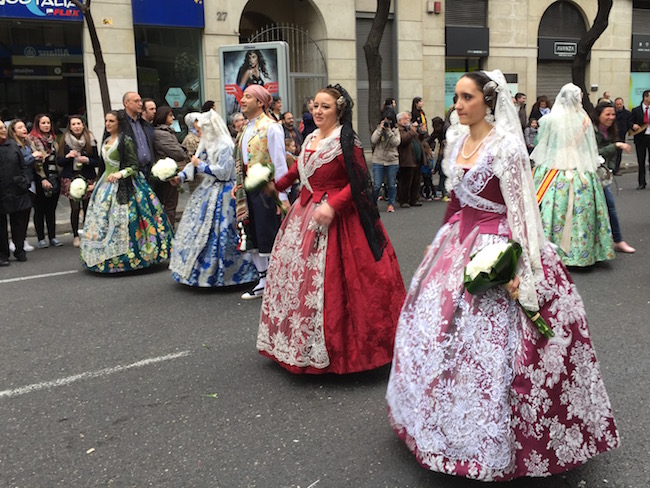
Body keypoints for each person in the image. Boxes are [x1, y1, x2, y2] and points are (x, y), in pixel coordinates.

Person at [386, 70, 619, 481]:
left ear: (487, 102)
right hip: (456, 242)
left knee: (500, 348)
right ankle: (442, 425)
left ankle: (506, 439)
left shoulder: (507, 147)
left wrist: (520, 268)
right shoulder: (457, 140)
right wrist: (438, 238)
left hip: (498, 241)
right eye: (456, 97)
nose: (457, 105)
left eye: (466, 97)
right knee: (437, 331)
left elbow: (521, 210)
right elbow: (456, 201)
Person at [256, 84, 406, 374]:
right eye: (315, 105)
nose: (318, 110)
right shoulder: (311, 137)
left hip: (338, 220)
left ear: (339, 109)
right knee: (296, 283)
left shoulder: (345, 141)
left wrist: (333, 205)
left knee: (340, 285)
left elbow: (360, 182)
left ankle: (347, 354)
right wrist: (278, 185)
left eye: (325, 106)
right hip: (303, 215)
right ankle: (294, 346)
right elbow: (299, 170)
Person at [169, 110, 258, 287]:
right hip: (208, 189)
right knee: (201, 231)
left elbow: (224, 173)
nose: (198, 133)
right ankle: (202, 272)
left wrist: (200, 165)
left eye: (200, 130)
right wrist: (181, 176)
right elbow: (193, 164)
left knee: (225, 231)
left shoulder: (225, 146)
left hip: (225, 192)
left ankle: (232, 273)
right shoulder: (206, 144)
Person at [530, 83, 614, 266]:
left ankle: (546, 249)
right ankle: (583, 250)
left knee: (550, 206)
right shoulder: (583, 120)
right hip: (578, 168)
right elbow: (588, 147)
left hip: (553, 167)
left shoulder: (548, 120)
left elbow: (540, 143)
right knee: (584, 207)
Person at [80, 111, 173, 273]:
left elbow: (134, 165)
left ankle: (133, 256)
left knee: (130, 219)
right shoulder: (107, 140)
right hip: (106, 185)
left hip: (127, 184)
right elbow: (104, 166)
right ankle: (103, 256)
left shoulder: (126, 141)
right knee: (103, 220)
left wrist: (120, 173)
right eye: (106, 121)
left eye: (111, 121)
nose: (108, 124)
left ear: (119, 123)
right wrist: (96, 183)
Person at [234, 84, 289, 300]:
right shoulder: (245, 128)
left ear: (260, 102)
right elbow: (240, 160)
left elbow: (280, 162)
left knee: (270, 235)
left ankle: (277, 281)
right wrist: (236, 186)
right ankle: (262, 280)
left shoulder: (272, 127)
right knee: (252, 234)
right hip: (247, 186)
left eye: (248, 97)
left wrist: (282, 196)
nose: (242, 100)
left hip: (266, 187)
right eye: (243, 96)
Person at [591, 101, 636, 253]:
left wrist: (609, 169)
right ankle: (613, 240)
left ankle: (617, 240)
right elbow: (594, 153)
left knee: (609, 207)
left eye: (613, 114)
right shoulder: (591, 130)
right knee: (602, 208)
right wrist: (617, 145)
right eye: (607, 114)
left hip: (602, 176)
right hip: (589, 175)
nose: (611, 117)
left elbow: (609, 155)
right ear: (599, 116)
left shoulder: (611, 130)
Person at [56, 116, 100, 248]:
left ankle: (87, 233)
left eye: (78, 123)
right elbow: (59, 161)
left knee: (88, 207)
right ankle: (75, 235)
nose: (76, 126)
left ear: (83, 125)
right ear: (70, 126)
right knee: (75, 208)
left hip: (87, 176)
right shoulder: (65, 141)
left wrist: (87, 161)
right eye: (73, 124)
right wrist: (68, 157)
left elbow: (97, 161)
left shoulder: (90, 140)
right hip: (71, 176)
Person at [6, 120, 42, 253]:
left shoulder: (27, 145)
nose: (23, 129)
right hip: (19, 184)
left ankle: (23, 238)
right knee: (17, 215)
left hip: (30, 181)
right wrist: (33, 157)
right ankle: (15, 240)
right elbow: (17, 164)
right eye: (19, 128)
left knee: (26, 212)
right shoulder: (12, 146)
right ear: (13, 131)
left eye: (24, 127)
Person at [0, 119, 32, 265]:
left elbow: (23, 166)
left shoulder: (13, 146)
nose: (2, 130)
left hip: (17, 188)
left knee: (19, 222)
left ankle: (19, 250)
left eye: (2, 128)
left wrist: (25, 181)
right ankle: (3, 255)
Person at [28, 114, 61, 248]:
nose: (46, 125)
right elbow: (35, 163)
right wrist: (42, 178)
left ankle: (53, 237)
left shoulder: (53, 140)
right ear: (38, 125)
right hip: (40, 178)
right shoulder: (33, 140)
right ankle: (41, 238)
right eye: (43, 123)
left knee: (51, 209)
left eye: (48, 123)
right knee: (40, 209)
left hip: (54, 176)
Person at [152, 106, 188, 229]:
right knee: (169, 205)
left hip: (169, 171)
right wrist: (183, 150)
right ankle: (168, 233)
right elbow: (178, 153)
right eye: (170, 115)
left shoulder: (166, 132)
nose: (173, 118)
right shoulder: (161, 134)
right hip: (166, 174)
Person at [370, 110, 400, 212]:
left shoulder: (395, 130)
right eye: (385, 120)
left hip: (392, 160)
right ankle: (373, 204)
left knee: (391, 184)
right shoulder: (379, 128)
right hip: (378, 159)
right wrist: (380, 129)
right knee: (377, 185)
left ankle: (391, 204)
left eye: (389, 121)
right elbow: (373, 140)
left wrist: (389, 131)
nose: (387, 123)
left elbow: (396, 142)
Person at [121, 91, 155, 178]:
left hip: (147, 170)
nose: (140, 104)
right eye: (136, 101)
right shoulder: (120, 121)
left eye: (140, 101)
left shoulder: (143, 123)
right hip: (130, 172)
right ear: (126, 103)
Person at [397, 111, 425, 208]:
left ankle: (414, 199)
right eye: (405, 119)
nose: (407, 120)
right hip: (406, 159)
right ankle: (404, 200)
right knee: (406, 181)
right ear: (399, 120)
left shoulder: (410, 129)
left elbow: (420, 139)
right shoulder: (399, 129)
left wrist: (421, 132)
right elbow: (403, 140)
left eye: (408, 118)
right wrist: (412, 131)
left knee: (416, 181)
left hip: (416, 159)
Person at [629, 90, 650, 189]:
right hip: (640, 138)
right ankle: (641, 182)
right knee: (641, 161)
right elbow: (629, 122)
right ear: (645, 98)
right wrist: (633, 125)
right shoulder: (636, 110)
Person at [614, 97, 633, 175]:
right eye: (617, 104)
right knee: (612, 153)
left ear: (623, 104)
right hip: (613, 135)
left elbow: (629, 123)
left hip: (621, 135)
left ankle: (617, 169)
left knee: (619, 153)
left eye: (620, 104)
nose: (619, 106)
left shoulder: (627, 113)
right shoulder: (613, 113)